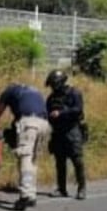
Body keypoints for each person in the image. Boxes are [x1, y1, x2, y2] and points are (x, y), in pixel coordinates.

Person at [0, 81, 50, 211]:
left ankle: (25, 196)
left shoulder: (9, 91)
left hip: (29, 123)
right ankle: (32, 195)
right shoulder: (33, 90)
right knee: (33, 160)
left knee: (25, 158)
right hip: (44, 124)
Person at [45, 69, 88, 200]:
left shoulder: (74, 93)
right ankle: (61, 188)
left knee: (77, 160)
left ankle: (82, 188)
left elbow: (78, 110)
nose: (52, 87)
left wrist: (61, 113)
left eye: (54, 83)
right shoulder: (51, 98)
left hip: (72, 130)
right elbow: (47, 113)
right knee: (59, 161)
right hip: (58, 132)